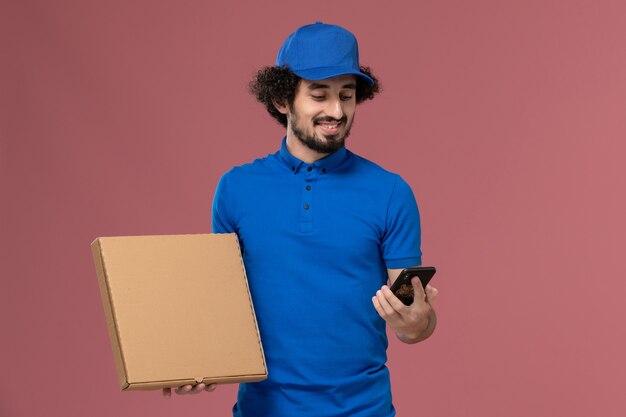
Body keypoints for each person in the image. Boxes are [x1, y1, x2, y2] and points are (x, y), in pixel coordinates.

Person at [163, 22, 438, 417]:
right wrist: (194, 361)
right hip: (261, 409)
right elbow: (221, 305)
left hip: (363, 410)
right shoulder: (235, 189)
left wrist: (418, 323)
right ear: (281, 100)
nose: (337, 111)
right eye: (319, 95)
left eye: (347, 95)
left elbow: (412, 319)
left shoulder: (391, 192)